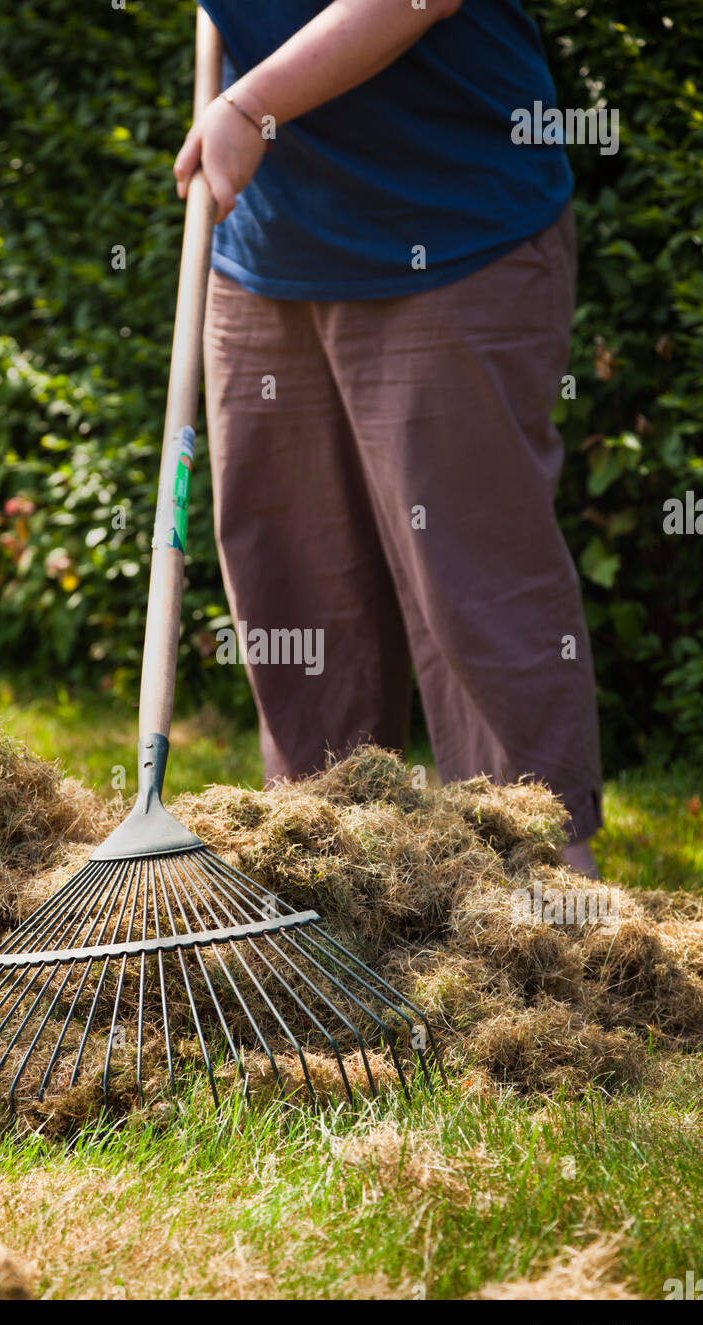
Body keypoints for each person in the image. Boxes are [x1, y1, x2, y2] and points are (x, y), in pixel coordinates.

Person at [174, 0, 602, 879]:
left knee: (470, 581)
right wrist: (214, 108)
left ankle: (540, 894)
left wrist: (253, 107)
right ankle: (325, 874)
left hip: (445, 231)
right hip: (266, 250)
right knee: (290, 581)